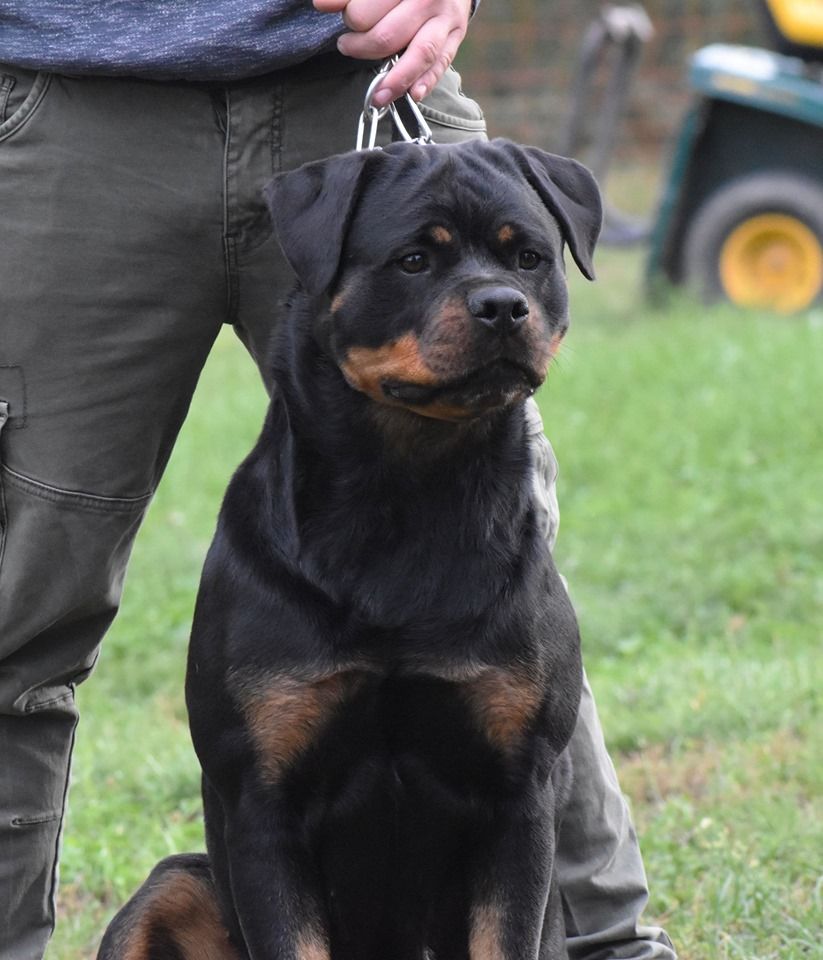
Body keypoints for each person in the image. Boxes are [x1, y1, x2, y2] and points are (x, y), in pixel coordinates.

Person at [0, 3, 676, 958]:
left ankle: (607, 947)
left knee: (510, 607)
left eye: (525, 261)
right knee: (16, 599)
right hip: (65, 108)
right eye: (426, 265)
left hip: (373, 76)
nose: (498, 295)